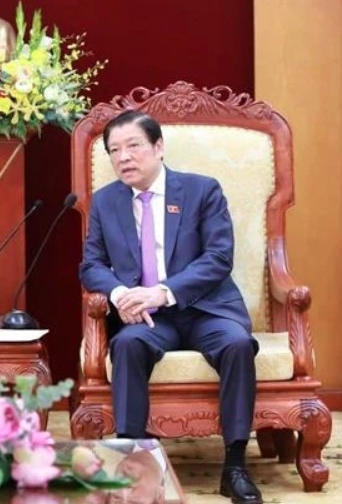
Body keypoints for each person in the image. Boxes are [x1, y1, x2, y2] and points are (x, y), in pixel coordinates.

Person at [79, 110, 262, 504]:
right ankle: (132, 468)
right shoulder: (106, 201)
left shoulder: (201, 190)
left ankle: (234, 467)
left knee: (237, 345)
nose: (123, 157)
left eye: (133, 146)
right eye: (114, 150)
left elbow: (218, 257)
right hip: (146, 317)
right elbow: (91, 264)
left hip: (205, 309)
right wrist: (119, 295)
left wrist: (162, 291)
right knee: (126, 345)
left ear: (158, 147)